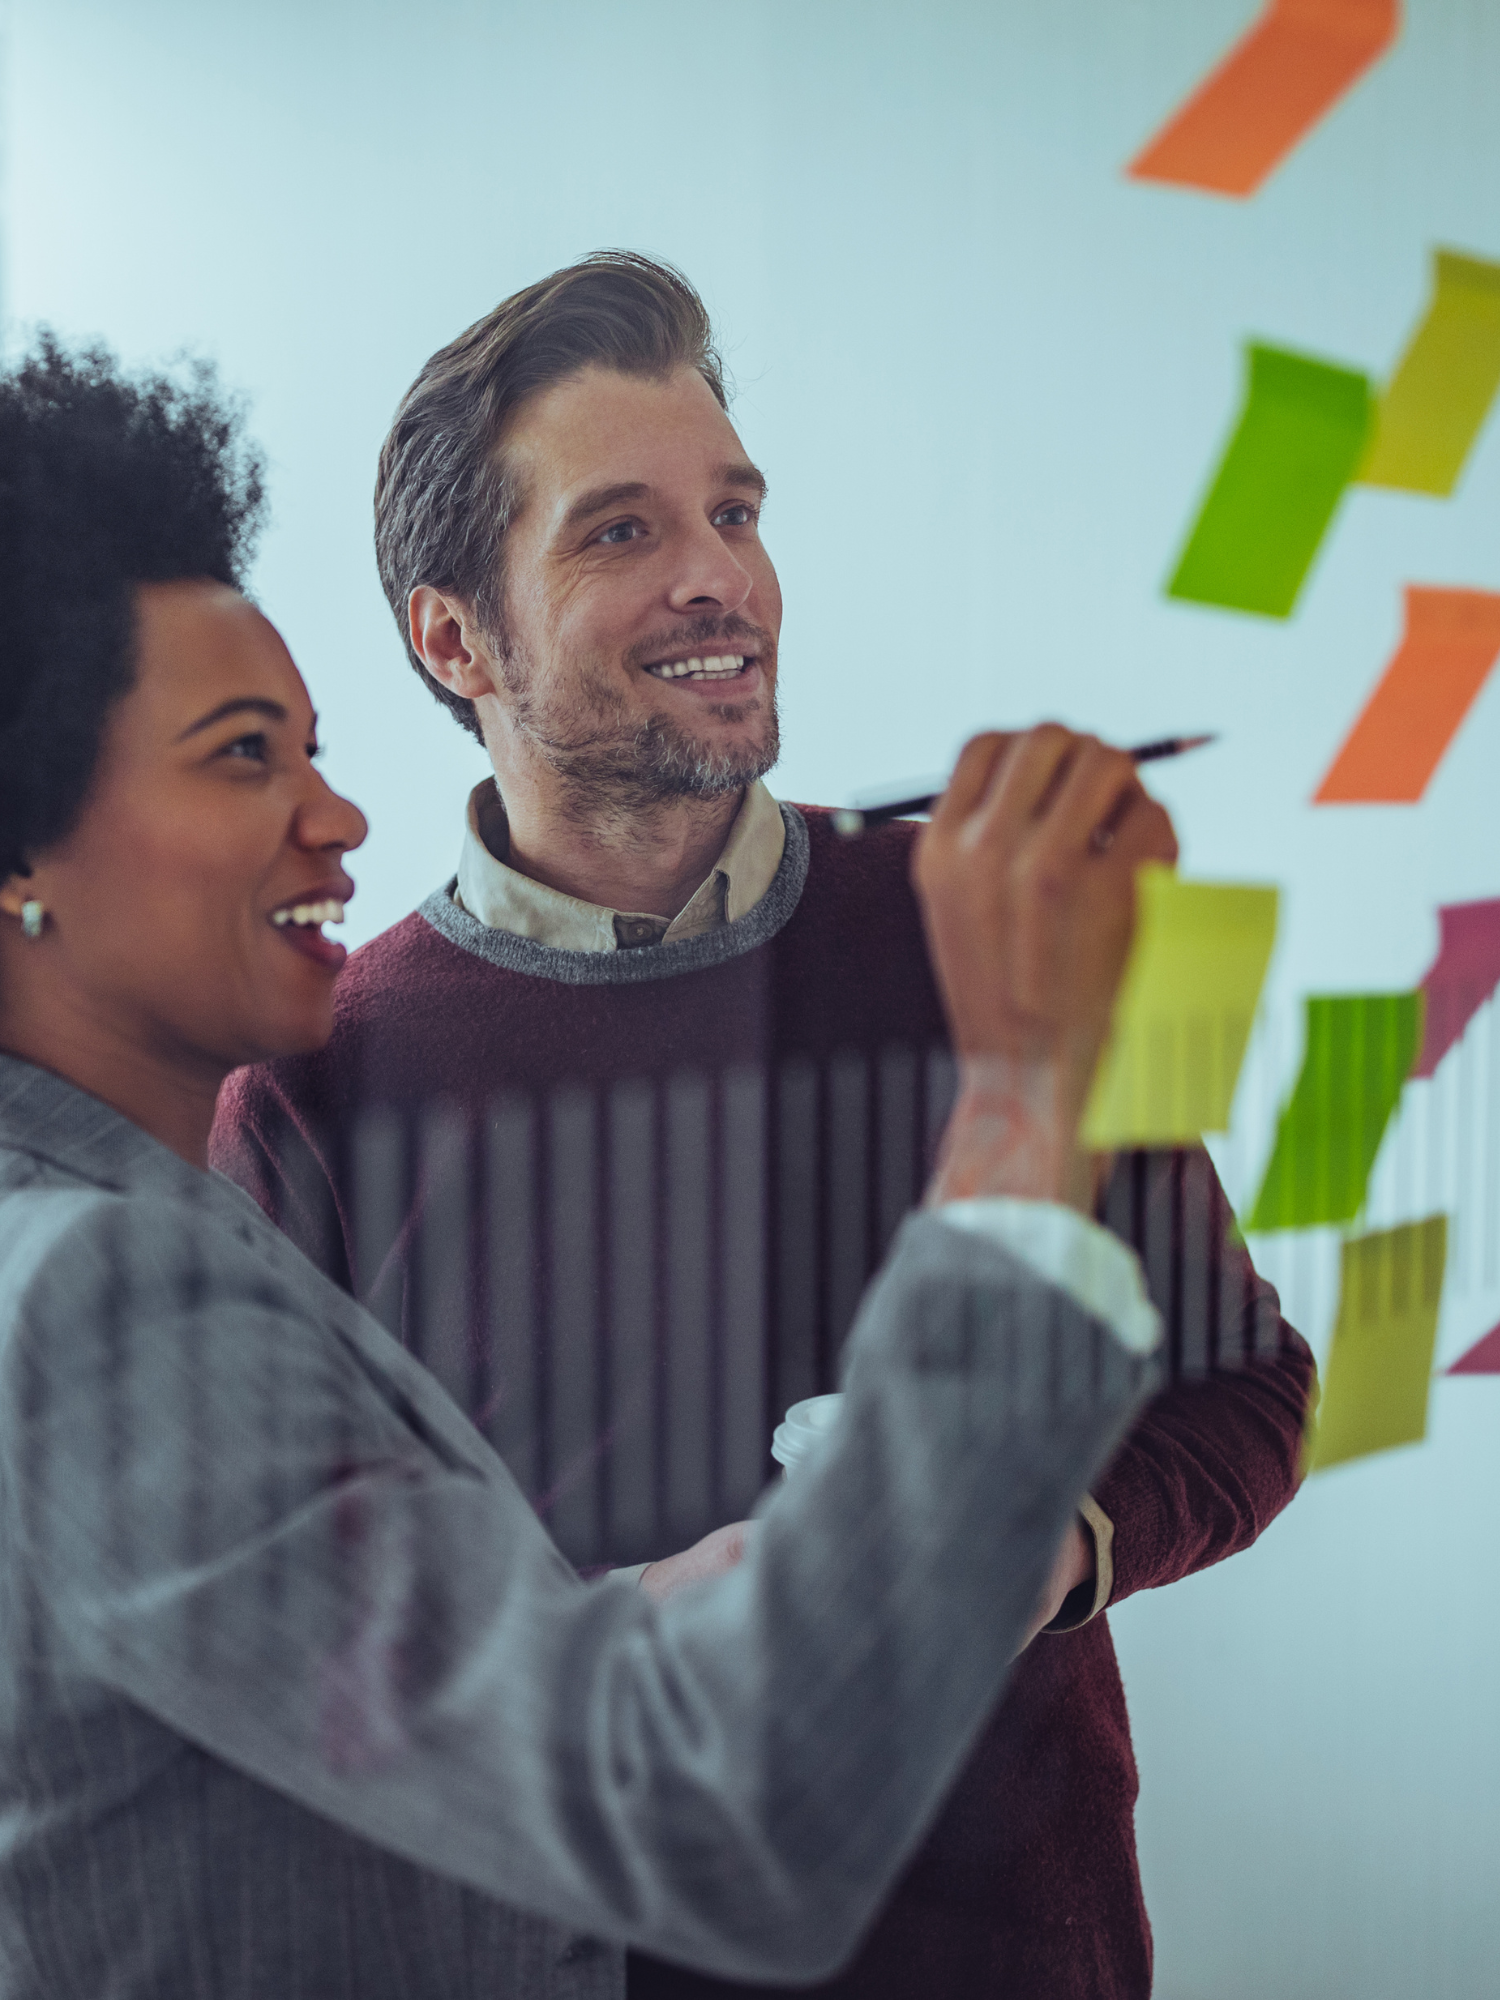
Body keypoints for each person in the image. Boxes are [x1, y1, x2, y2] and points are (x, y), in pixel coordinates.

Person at [0, 337, 1171, 2000]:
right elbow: (685, 1807)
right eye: (245, 755)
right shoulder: (110, 1284)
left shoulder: (118, 1229)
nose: (338, 817)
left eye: (738, 510)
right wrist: (1026, 1095)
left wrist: (1046, 1550)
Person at [212, 255, 1316, 1998]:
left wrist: (1057, 1548)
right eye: (622, 531)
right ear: (454, 636)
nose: (721, 575)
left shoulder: (991, 938)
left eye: (735, 510)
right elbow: (283, 1653)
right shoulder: (305, 1086)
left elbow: (1248, 1387)